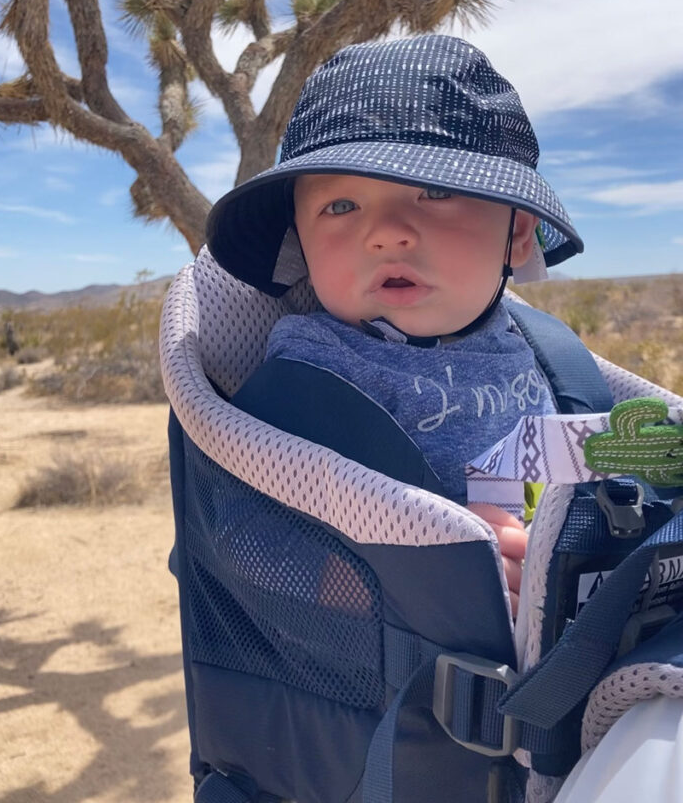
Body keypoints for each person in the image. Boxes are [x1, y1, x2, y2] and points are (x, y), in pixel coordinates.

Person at [206, 34, 584, 616]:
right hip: (425, 682)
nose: (384, 233)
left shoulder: (540, 348)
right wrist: (405, 583)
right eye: (340, 206)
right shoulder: (308, 376)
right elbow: (233, 538)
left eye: (434, 191)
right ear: (301, 245)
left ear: (516, 233)